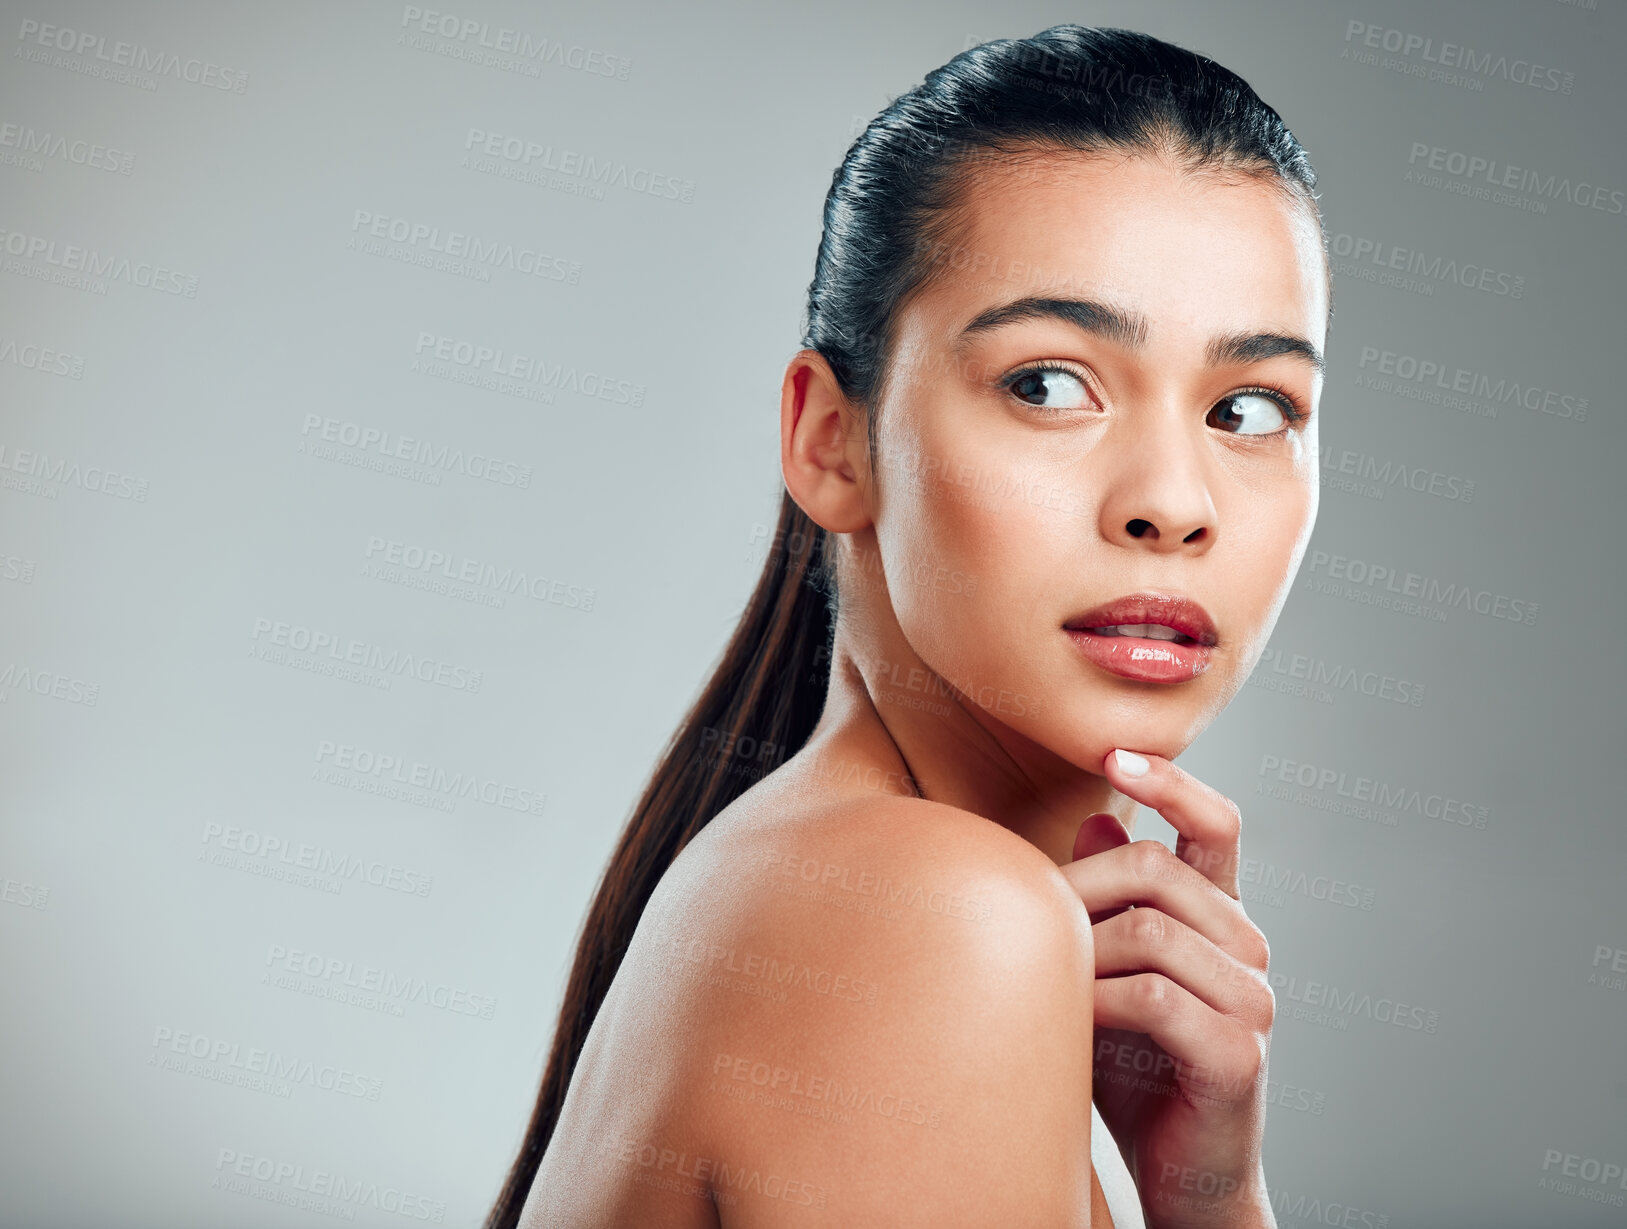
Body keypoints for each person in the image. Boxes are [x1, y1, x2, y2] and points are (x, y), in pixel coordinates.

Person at [490, 23, 1330, 1229]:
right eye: (1048, 383)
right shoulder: (932, 912)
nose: (1172, 503)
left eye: (1250, 407)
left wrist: (1207, 1198)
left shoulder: (841, 881)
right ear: (832, 440)